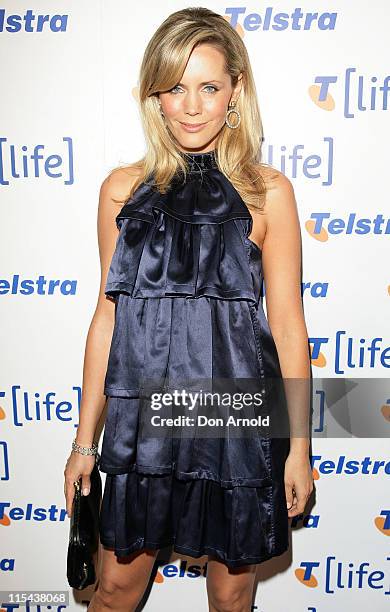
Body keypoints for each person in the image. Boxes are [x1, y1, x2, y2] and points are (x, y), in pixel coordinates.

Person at [64, 7, 313, 611]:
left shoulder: (268, 192)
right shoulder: (122, 190)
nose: (193, 105)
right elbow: (107, 321)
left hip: (234, 420)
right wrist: (83, 442)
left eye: (209, 86)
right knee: (116, 589)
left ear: (235, 93)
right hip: (144, 416)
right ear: (155, 96)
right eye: (176, 87)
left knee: (232, 598)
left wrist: (299, 445)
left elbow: (286, 325)